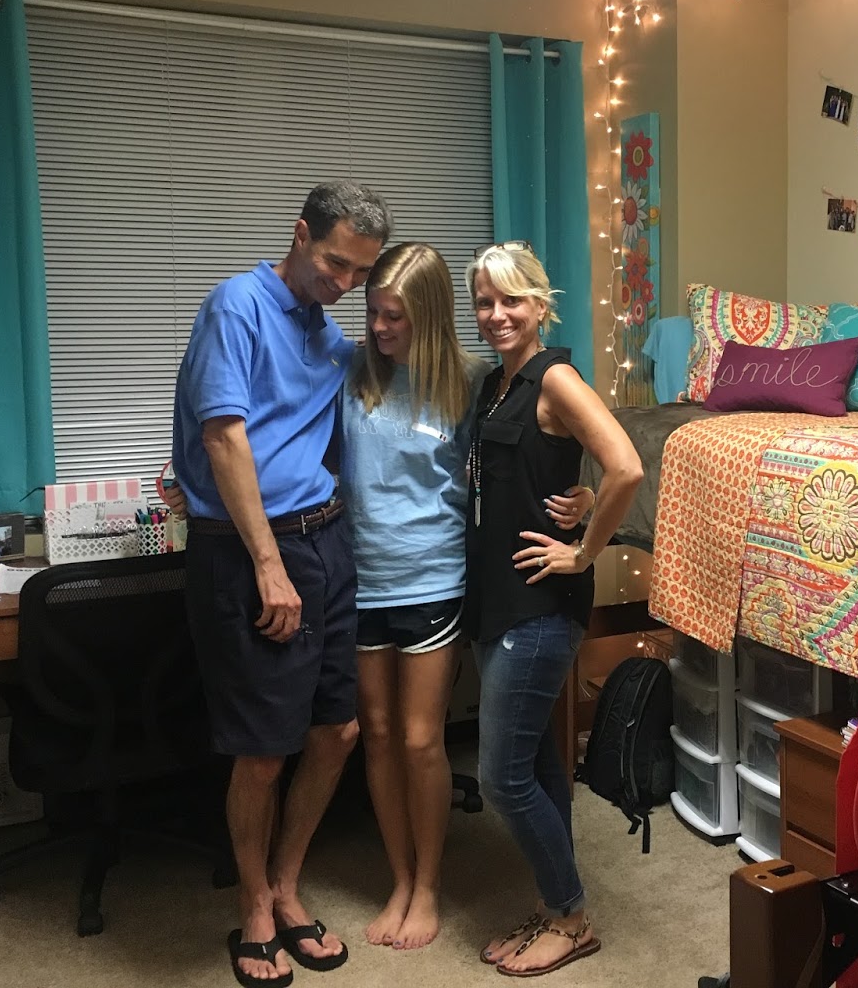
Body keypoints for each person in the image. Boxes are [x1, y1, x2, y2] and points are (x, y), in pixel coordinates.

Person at [343, 242, 593, 953]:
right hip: (363, 582)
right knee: (378, 735)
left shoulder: (475, 382)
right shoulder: (351, 374)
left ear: (427, 316)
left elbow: (544, 458)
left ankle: (431, 888)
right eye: (373, 313)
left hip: (436, 580)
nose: (380, 327)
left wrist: (585, 506)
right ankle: (401, 880)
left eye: (395, 315)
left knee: (424, 740)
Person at [173, 179, 389, 987]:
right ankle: (254, 904)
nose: (345, 283)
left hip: (327, 540)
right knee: (264, 752)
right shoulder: (237, 306)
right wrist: (268, 564)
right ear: (300, 234)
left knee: (338, 731)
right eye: (335, 263)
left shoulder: (327, 338)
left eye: (360, 273)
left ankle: (288, 883)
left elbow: (383, 382)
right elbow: (223, 436)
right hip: (252, 552)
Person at [467, 243, 643, 978]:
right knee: (538, 766)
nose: (497, 314)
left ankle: (571, 917)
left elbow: (625, 465)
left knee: (501, 778)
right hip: (496, 601)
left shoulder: (554, 378)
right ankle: (553, 904)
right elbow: (534, 471)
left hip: (540, 607)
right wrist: (578, 493)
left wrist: (584, 549)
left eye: (512, 299)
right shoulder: (495, 383)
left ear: (541, 304)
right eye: (484, 301)